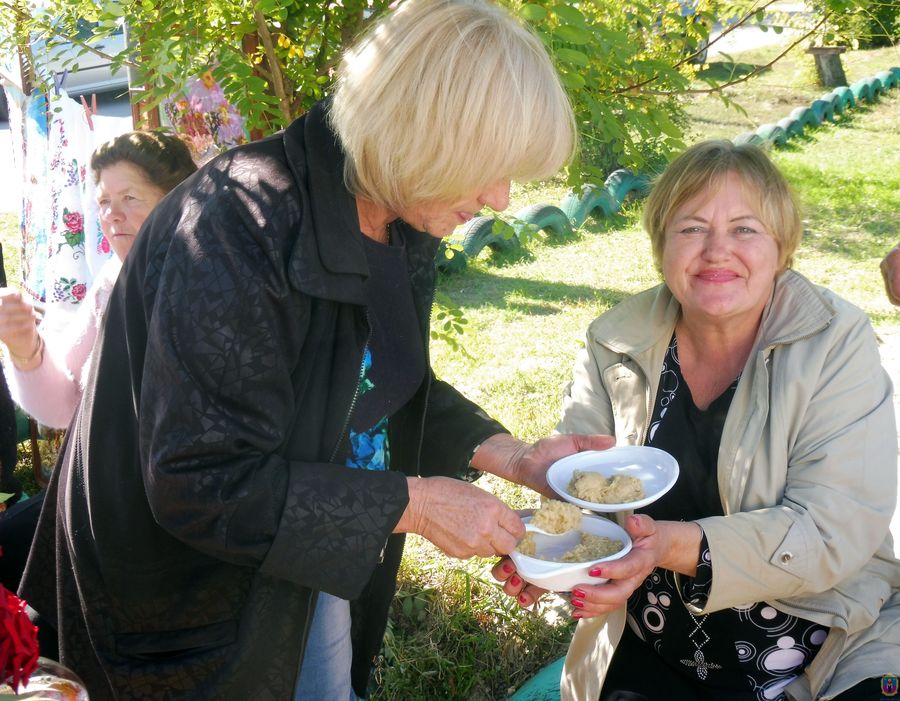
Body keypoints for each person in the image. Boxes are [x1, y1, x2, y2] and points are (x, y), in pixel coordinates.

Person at [20, 2, 613, 699]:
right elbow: (197, 481)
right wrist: (414, 503)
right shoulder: (238, 225)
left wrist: (510, 455)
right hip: (178, 616)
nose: (502, 197)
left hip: (305, 567)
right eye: (486, 167)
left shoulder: (399, 216)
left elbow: (372, 385)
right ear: (418, 131)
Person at [494, 140, 899, 701]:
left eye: (745, 229)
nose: (716, 251)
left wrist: (666, 544)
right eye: (691, 229)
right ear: (661, 245)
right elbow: (584, 487)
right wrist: (552, 550)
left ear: (782, 247)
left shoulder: (833, 342)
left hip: (822, 644)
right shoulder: (616, 340)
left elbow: (832, 531)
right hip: (657, 636)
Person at [0, 130, 197, 430]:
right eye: (104, 200)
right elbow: (64, 409)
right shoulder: (113, 278)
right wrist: (26, 350)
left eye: (129, 198)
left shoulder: (209, 283)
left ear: (175, 200)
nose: (112, 215)